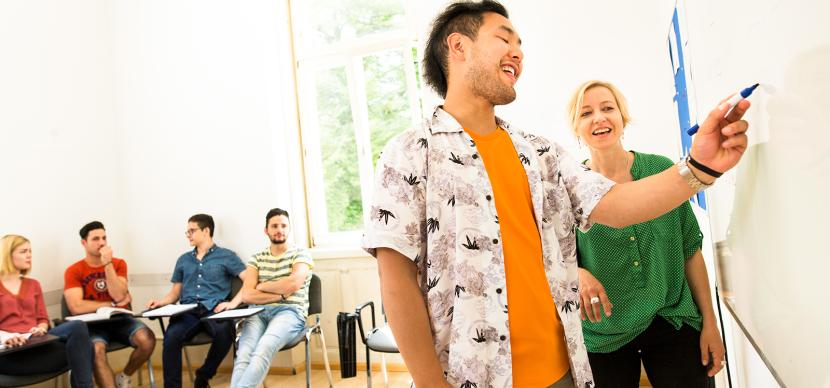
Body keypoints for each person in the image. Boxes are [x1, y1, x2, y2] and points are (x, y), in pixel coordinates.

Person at [361, 1, 749, 387]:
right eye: (504, 39)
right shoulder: (411, 151)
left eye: (521, 45)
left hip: (563, 374)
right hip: (470, 378)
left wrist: (698, 167)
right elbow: (396, 280)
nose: (518, 52)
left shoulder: (538, 153)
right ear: (458, 47)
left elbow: (615, 204)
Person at [567, 80, 725, 387]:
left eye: (608, 108)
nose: (599, 117)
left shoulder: (662, 171)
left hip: (672, 318)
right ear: (577, 128)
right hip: (603, 332)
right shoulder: (568, 188)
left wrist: (710, 322)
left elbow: (690, 250)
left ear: (623, 118)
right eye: (586, 113)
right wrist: (578, 272)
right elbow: (552, 257)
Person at [146, 213, 247, 388]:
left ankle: (203, 375)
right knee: (171, 337)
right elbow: (175, 293)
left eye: (192, 231)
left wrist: (232, 303)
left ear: (206, 230)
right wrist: (161, 302)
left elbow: (249, 281)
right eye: (187, 232)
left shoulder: (227, 256)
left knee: (225, 332)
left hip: (214, 309)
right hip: (187, 311)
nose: (188, 235)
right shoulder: (183, 260)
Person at [64, 221, 156, 388]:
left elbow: (119, 293)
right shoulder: (74, 270)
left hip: (120, 320)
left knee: (147, 339)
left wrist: (107, 264)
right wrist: (112, 303)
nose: (102, 243)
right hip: (92, 326)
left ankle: (125, 376)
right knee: (96, 350)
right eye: (96, 239)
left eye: (104, 238)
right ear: (83, 243)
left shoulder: (118, 263)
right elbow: (76, 307)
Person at [231, 208, 313, 387]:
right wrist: (282, 294)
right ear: (266, 230)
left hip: (290, 312)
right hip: (258, 312)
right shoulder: (257, 258)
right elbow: (247, 295)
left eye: (284, 226)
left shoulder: (301, 254)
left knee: (263, 348)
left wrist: (262, 286)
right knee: (244, 353)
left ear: (289, 228)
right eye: (274, 226)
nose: (279, 230)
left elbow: (293, 283)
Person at [0, 234, 94, 388]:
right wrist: (6, 336)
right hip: (10, 353)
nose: (29, 255)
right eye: (23, 251)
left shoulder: (33, 284)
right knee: (87, 348)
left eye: (30, 251)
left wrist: (41, 328)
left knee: (78, 329)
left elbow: (43, 318)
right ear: (7, 255)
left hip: (37, 344)